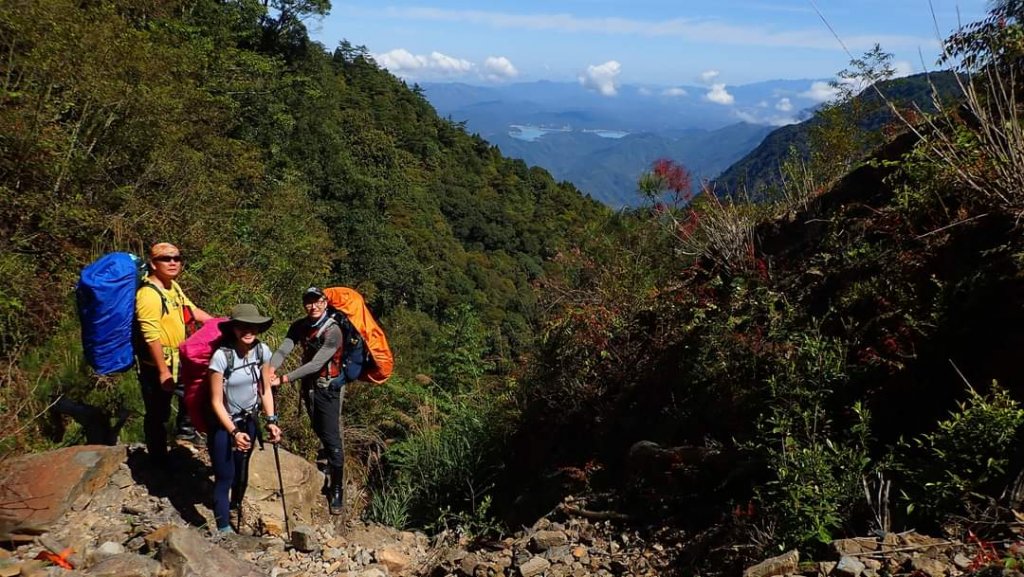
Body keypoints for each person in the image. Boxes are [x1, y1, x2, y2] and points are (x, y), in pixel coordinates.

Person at [269, 286, 363, 515]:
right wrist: (269, 368)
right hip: (309, 386)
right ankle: (328, 466)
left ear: (325, 302)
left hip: (328, 387)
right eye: (309, 302)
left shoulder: (334, 332)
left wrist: (282, 379)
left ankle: (337, 489)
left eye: (318, 301)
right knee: (318, 429)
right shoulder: (300, 326)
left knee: (331, 437)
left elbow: (317, 364)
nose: (313, 306)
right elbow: (284, 349)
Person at [135, 242, 213, 467]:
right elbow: (151, 336)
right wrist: (162, 372)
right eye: (165, 259)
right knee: (157, 413)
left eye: (177, 258)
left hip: (180, 360)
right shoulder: (148, 295)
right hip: (158, 365)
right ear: (152, 263)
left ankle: (184, 438)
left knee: (196, 395)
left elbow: (191, 311)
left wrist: (221, 324)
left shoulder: (173, 287)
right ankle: (158, 461)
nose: (172, 262)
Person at [208, 303, 282, 534]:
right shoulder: (221, 357)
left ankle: (234, 507)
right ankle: (223, 529)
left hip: (249, 420)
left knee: (241, 471)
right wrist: (233, 432)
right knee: (225, 475)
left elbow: (265, 389)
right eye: (242, 326)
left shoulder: (262, 351)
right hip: (223, 424)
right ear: (233, 329)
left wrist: (271, 420)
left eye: (253, 326)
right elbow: (215, 401)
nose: (248, 331)